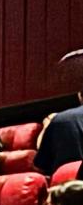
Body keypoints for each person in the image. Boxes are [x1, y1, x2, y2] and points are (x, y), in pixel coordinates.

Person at [34, 48, 83, 176]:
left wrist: (47, 126)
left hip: (70, 188)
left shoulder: (61, 120)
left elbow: (41, 164)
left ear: (80, 96)